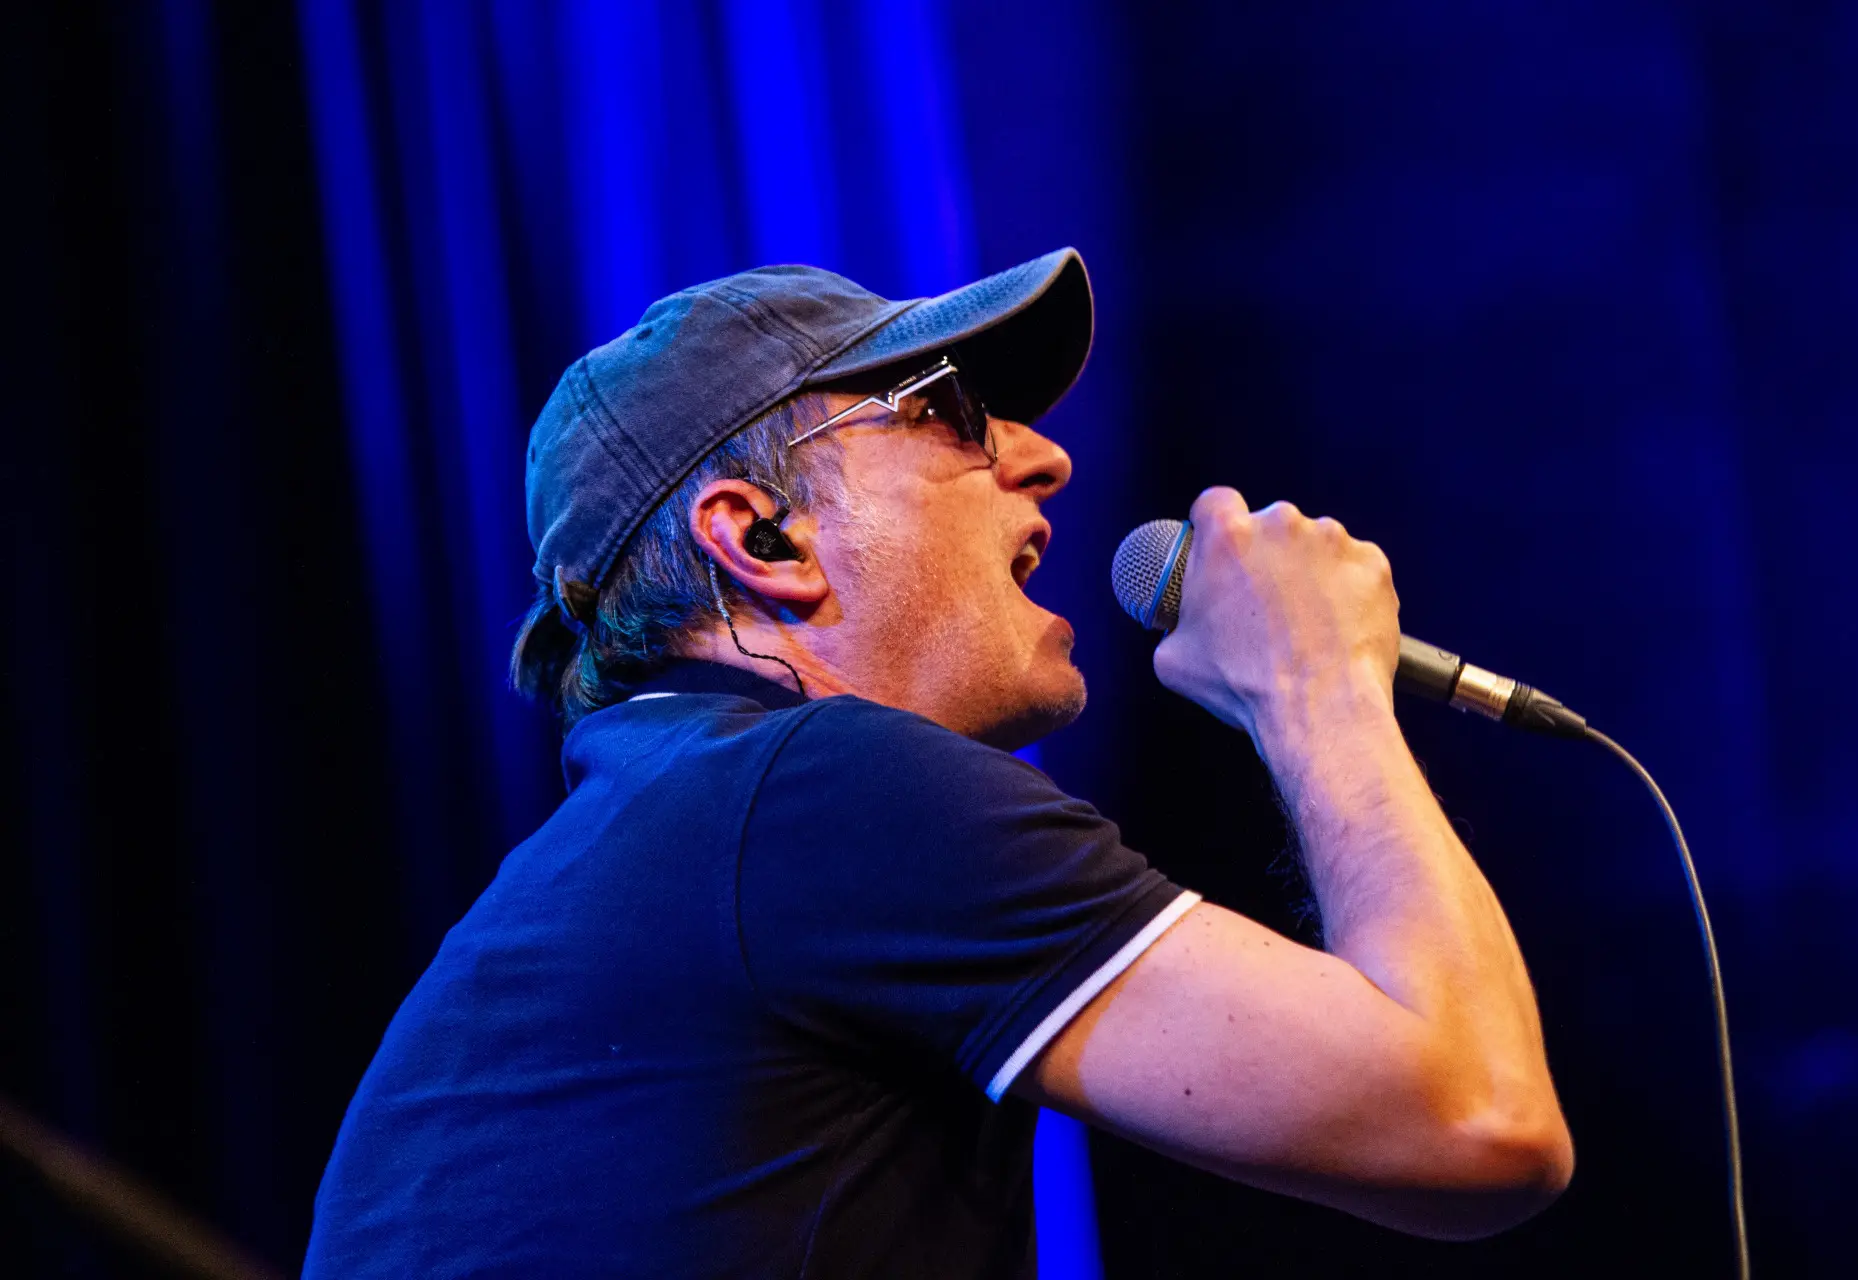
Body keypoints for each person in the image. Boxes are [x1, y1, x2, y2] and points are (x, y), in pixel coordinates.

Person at [303, 249, 1573, 1277]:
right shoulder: (819, 792)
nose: (1042, 454)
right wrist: (1317, 682)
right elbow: (1477, 1118)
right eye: (950, 409)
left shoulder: (676, 830)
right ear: (763, 537)